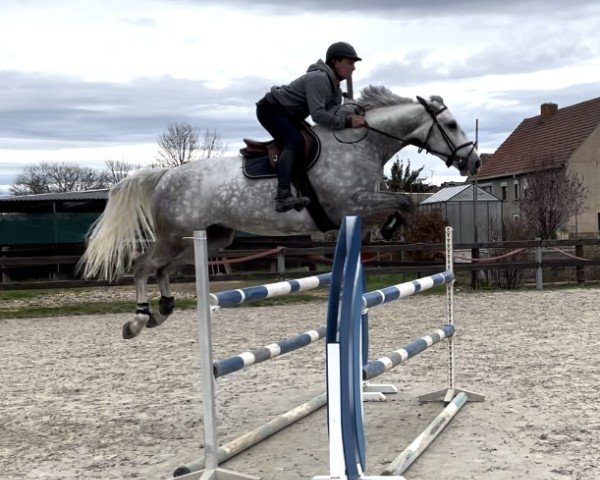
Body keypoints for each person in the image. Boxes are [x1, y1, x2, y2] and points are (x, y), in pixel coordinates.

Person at [256, 41, 366, 213]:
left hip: (289, 115)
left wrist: (350, 112)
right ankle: (282, 196)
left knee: (310, 141)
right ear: (335, 62)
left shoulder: (336, 90)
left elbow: (332, 116)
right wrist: (347, 121)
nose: (353, 68)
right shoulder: (319, 79)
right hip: (271, 109)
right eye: (349, 63)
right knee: (295, 141)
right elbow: (319, 116)